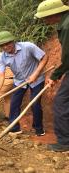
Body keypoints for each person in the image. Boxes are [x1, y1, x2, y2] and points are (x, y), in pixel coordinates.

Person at [0, 31, 48, 136]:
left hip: (37, 80)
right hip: (19, 81)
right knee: (14, 103)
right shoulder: (2, 58)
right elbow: (1, 75)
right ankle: (14, 128)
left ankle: (38, 129)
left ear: (13, 41)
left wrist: (35, 74)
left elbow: (44, 58)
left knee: (35, 103)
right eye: (2, 45)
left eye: (7, 43)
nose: (5, 47)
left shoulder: (28, 47)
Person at [35, 0, 69, 151]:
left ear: (54, 14)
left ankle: (64, 142)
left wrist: (55, 75)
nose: (44, 20)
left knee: (60, 104)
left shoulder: (67, 25)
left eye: (45, 17)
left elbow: (68, 57)